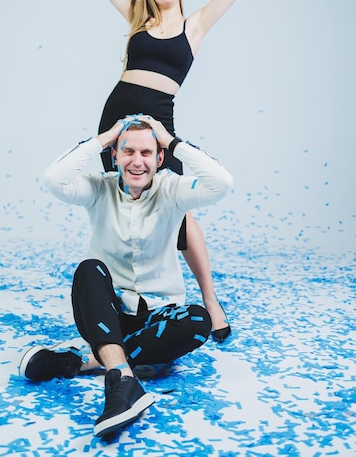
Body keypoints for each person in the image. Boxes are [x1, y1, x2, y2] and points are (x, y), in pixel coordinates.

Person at [32, 0, 319, 340]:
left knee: (176, 213)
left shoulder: (196, 25)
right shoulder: (136, 17)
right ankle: (123, 300)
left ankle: (210, 298)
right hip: (116, 117)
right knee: (119, 204)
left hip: (157, 120)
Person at [19, 114, 234, 437]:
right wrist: (104, 138)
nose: (137, 161)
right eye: (128, 152)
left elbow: (222, 183)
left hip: (157, 318)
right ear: (115, 156)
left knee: (198, 321)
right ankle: (123, 378)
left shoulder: (173, 189)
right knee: (89, 270)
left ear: (160, 158)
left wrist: (171, 140)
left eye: (147, 153)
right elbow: (53, 179)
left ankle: (81, 361)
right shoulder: (98, 189)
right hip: (108, 314)